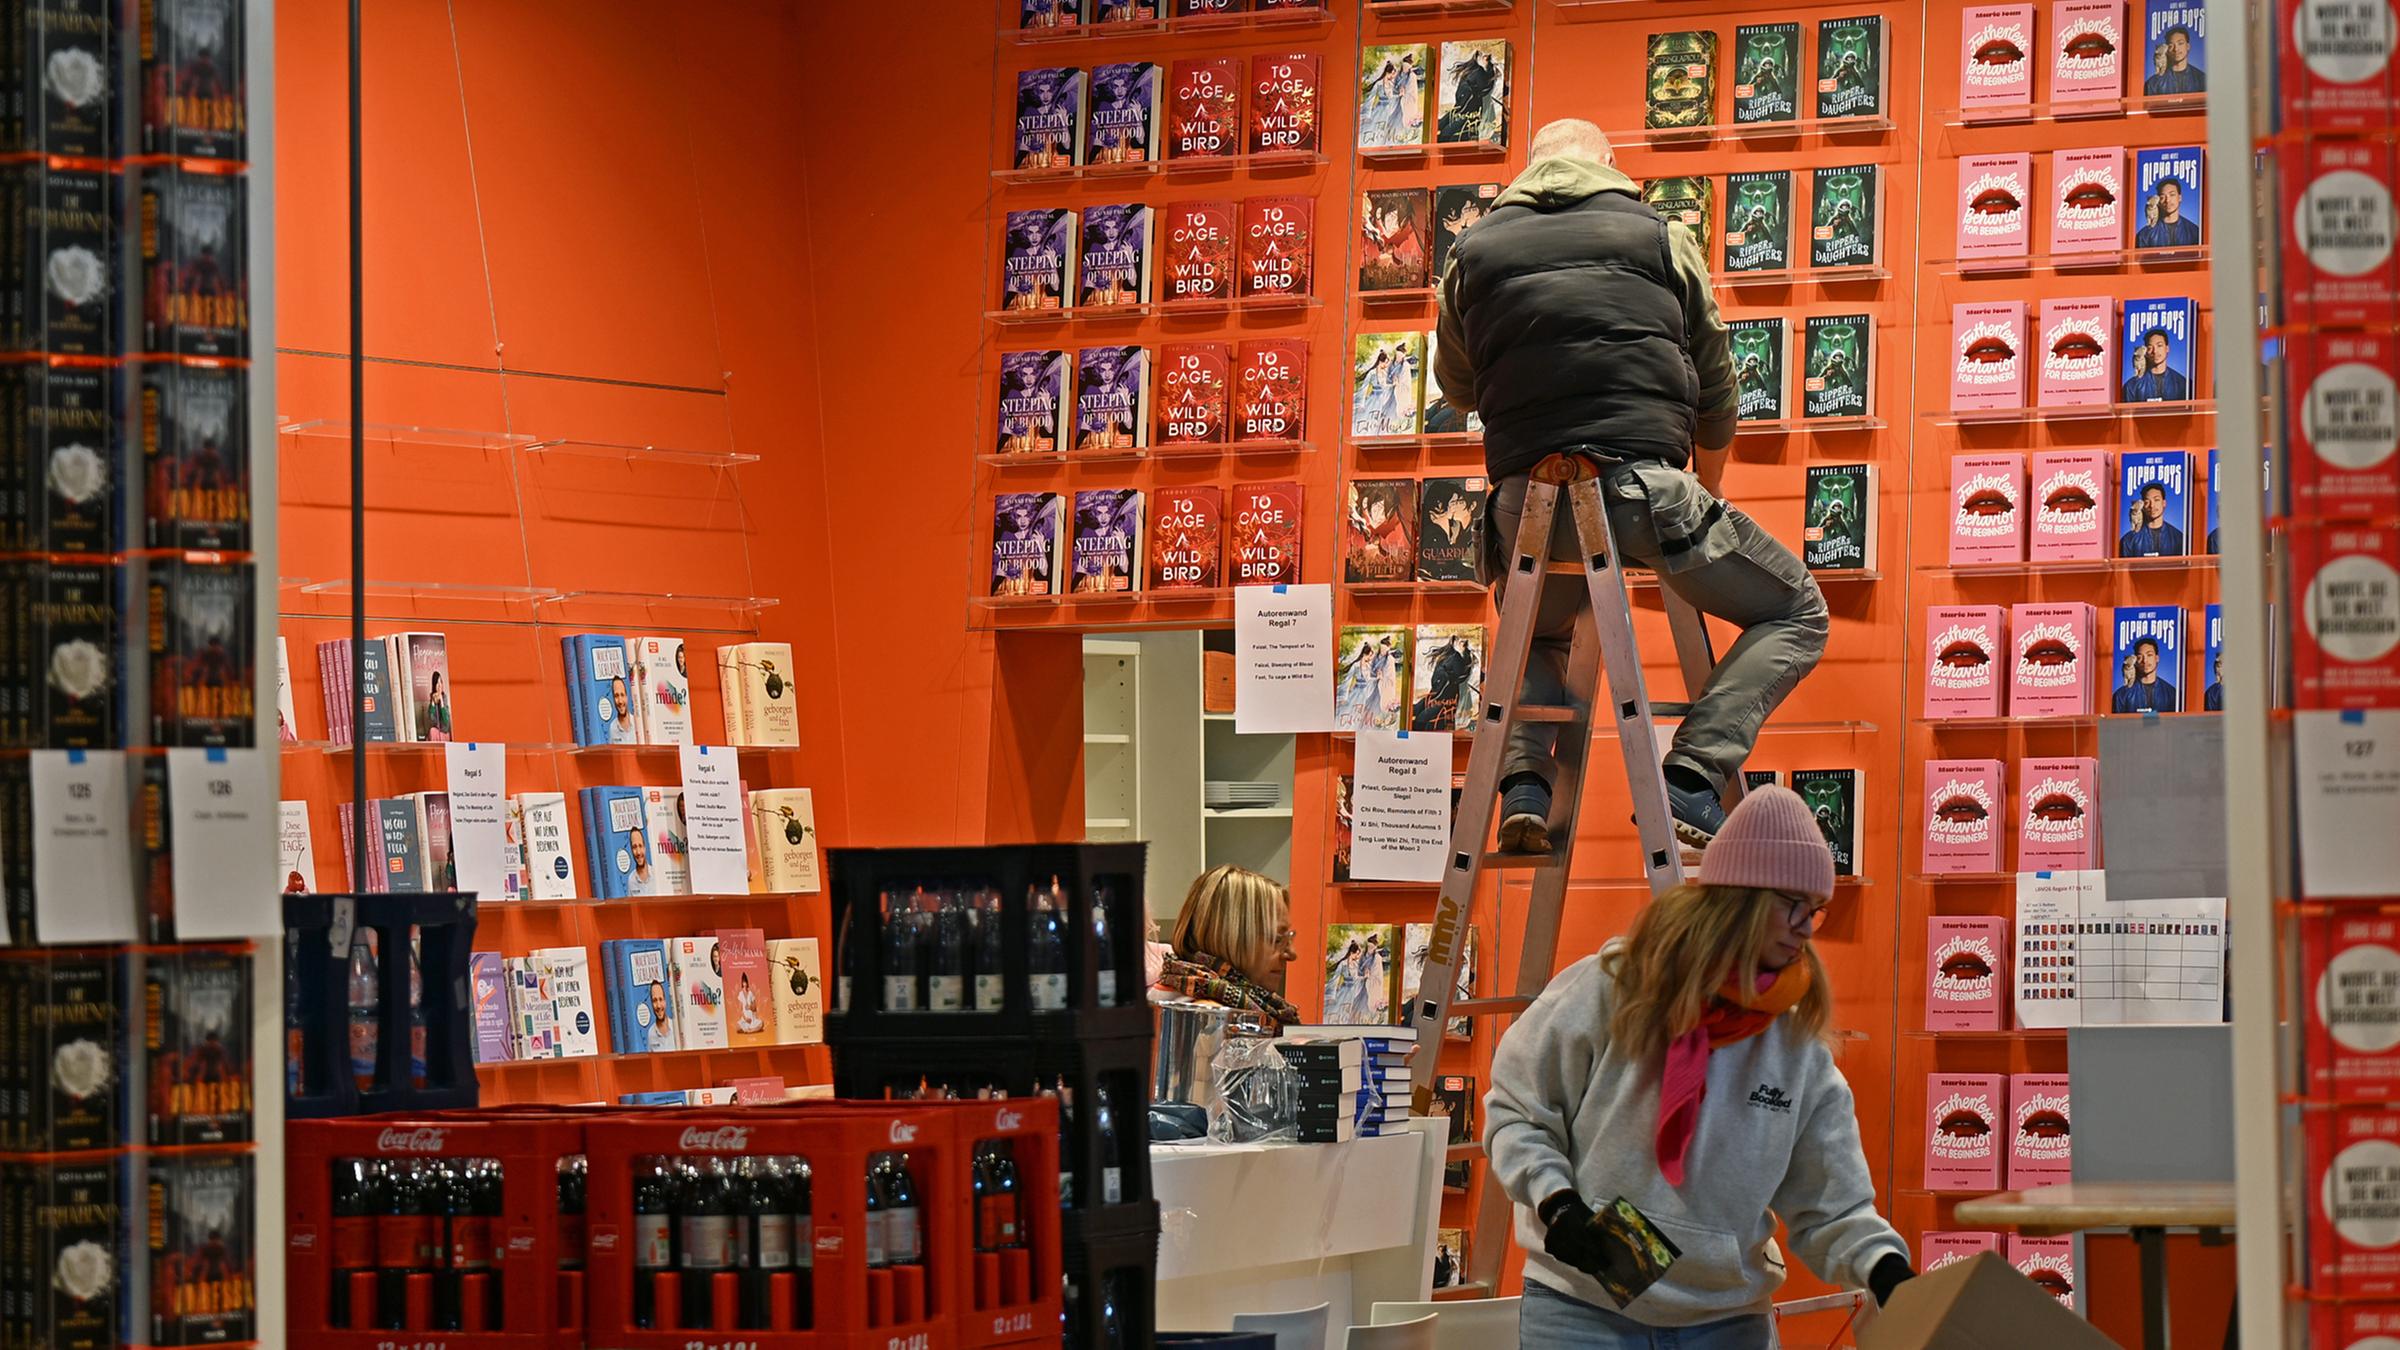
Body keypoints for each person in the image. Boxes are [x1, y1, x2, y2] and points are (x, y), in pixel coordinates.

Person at [1432, 118, 1829, 850]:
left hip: (1524, 508)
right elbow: (1716, 387)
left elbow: (1456, 387)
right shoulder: (1660, 236)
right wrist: (1706, 490)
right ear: (1609, 165)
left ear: (1529, 169)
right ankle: (1691, 776)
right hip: (1643, 491)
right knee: (1798, 611)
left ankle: (1524, 783)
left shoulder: (1471, 253)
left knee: (1542, 633)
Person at [1485, 786, 1913, 1345]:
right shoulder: (1611, 987)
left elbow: (1833, 1206)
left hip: (1726, 1320)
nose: (1808, 928)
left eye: (1817, 910)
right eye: (1793, 906)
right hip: (1581, 1307)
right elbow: (1517, 1112)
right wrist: (1557, 1203)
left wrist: (1887, 1271)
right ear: (1739, 898)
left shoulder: (1797, 1046)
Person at [1153, 864, 1301, 1027]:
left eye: (1289, 937)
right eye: (1277, 939)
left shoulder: (1184, 994)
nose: (1291, 954)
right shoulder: (1209, 1017)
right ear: (1231, 937)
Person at [2121, 326, 2190, 403]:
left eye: (2159, 346)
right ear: (2146, 352)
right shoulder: (2131, 386)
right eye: (2150, 348)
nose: (2155, 351)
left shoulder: (2183, 384)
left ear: (2167, 348)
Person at [2119, 480, 2188, 555]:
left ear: (2164, 503)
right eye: (2147, 502)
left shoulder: (2179, 538)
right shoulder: (2128, 540)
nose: (2152, 505)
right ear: (2142, 506)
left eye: (2156, 500)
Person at [2113, 636, 2180, 712]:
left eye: (2149, 655)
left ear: (2157, 658)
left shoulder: (2172, 694)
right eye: (2140, 657)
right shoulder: (2121, 695)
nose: (2145, 660)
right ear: (2135, 661)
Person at [2134, 175, 2199, 248]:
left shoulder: (2194, 232)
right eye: (2162, 197)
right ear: (2158, 201)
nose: (2167, 200)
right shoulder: (2144, 235)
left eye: (2172, 195)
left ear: (2180, 197)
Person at [2145, 24, 2205, 94]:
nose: (2176, 49)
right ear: (2167, 50)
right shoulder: (2153, 83)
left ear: (2188, 46)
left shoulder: (2202, 79)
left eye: (2180, 43)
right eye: (2171, 46)